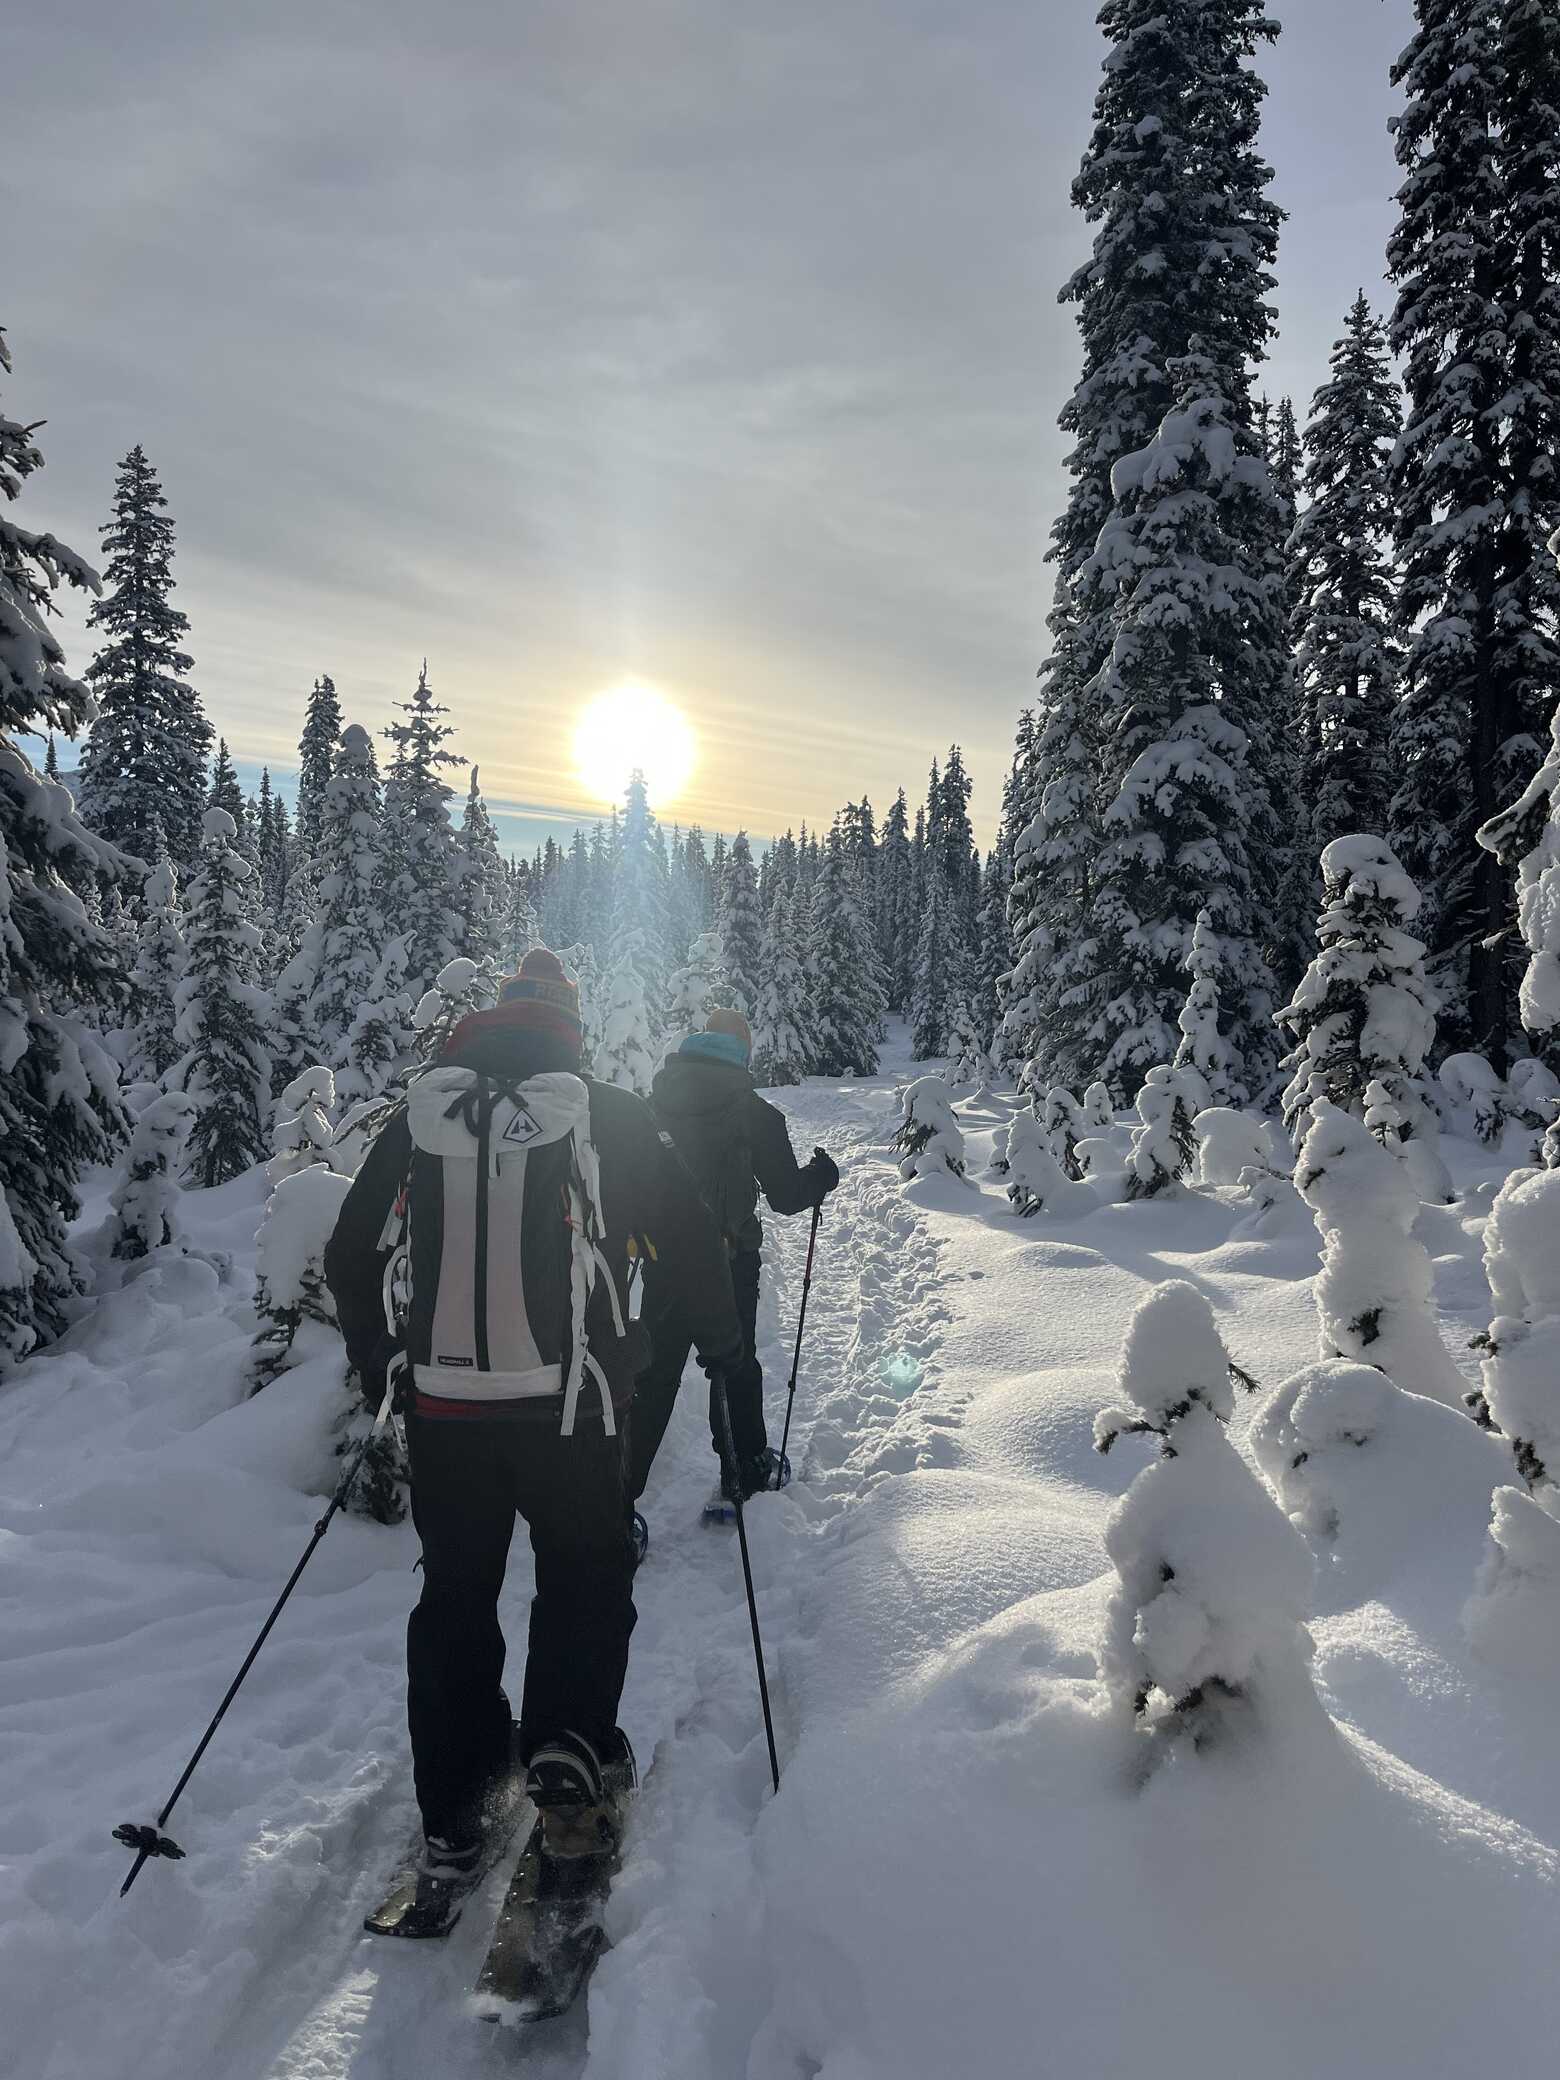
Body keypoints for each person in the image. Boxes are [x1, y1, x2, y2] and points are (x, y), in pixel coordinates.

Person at [324, 949, 741, 1916]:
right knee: (586, 1575)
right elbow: (690, 1240)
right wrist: (723, 1350)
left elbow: (350, 1251)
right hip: (574, 1412)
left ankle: (455, 1810)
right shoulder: (607, 1111)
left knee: (455, 1599)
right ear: (571, 1027)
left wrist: (383, 1363)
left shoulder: (426, 1112)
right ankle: (566, 1766)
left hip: (444, 1413)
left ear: (494, 1018)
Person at [629, 1006, 839, 1527]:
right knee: (734, 1363)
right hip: (728, 1261)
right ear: (742, 1051)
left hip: (663, 1260)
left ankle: (616, 1496)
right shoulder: (755, 1113)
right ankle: (744, 1469)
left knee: (655, 1375)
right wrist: (822, 1178)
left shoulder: (654, 1105)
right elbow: (786, 1197)